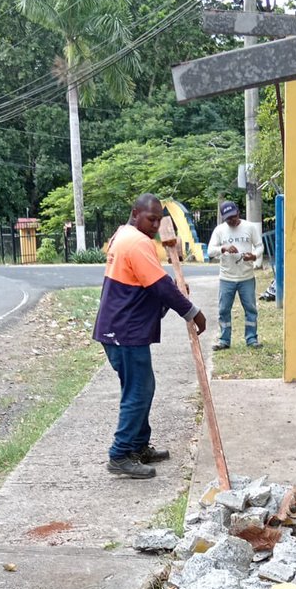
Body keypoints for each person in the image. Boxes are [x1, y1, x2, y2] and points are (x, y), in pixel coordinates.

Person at [93, 193, 207, 480]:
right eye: (151, 218)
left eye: (159, 219)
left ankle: (138, 446)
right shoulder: (136, 242)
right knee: (139, 391)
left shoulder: (124, 235)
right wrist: (192, 311)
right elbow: (160, 286)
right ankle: (120, 454)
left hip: (119, 328)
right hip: (124, 331)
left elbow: (153, 283)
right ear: (135, 213)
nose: (156, 224)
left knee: (140, 388)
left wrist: (175, 289)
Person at [207, 202, 264, 350]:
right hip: (227, 277)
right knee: (224, 310)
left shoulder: (250, 227)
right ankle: (224, 340)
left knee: (250, 309)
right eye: (228, 219)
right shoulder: (219, 230)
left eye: (233, 217)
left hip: (247, 277)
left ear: (238, 212)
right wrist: (223, 248)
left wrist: (254, 256)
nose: (231, 221)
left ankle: (251, 338)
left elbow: (259, 245)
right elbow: (210, 251)